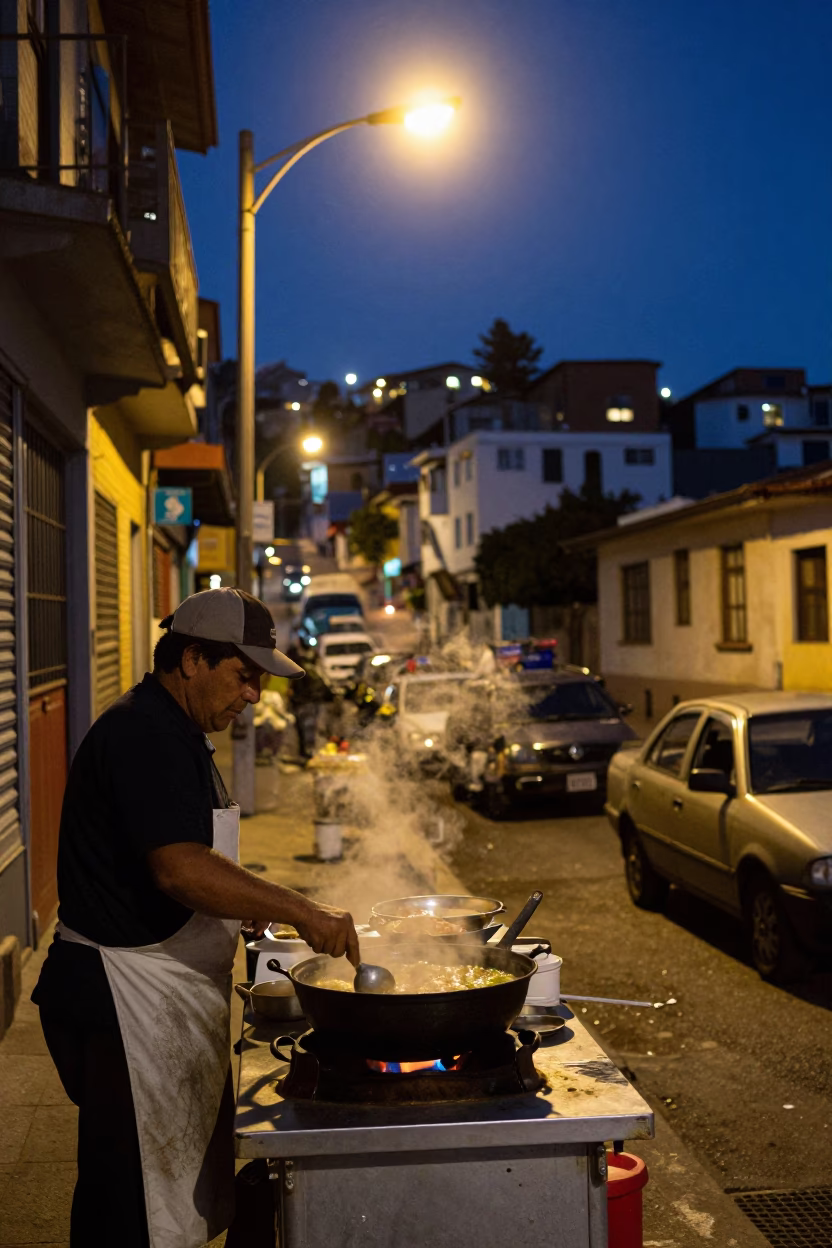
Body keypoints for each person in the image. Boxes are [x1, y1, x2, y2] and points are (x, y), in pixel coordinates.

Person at [32, 587, 359, 1248]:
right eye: (244, 676)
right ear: (191, 659)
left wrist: (238, 915)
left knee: (153, 1199)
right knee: (126, 1209)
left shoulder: (176, 732)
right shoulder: (143, 734)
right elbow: (179, 868)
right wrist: (303, 911)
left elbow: (190, 870)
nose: (253, 696)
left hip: (157, 996)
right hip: (122, 1002)